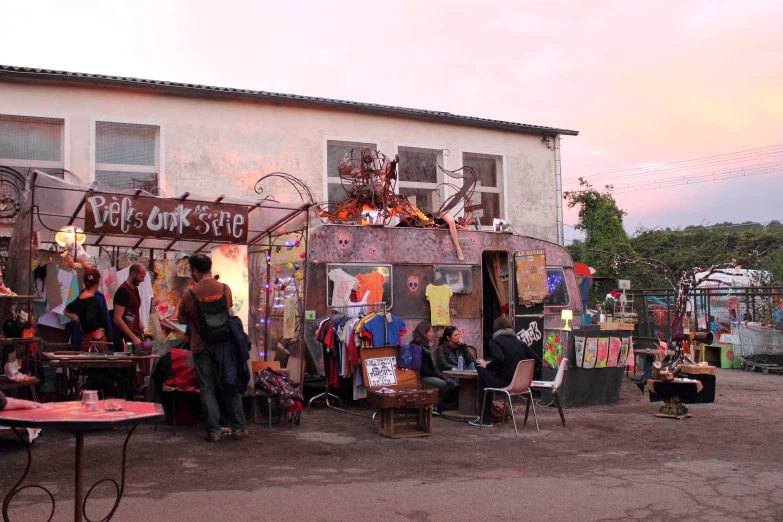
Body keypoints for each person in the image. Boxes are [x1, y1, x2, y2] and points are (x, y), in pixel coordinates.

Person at [177, 254, 248, 443]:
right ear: (210, 267)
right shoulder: (225, 289)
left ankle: (214, 432)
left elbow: (182, 319)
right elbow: (229, 310)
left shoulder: (189, 294)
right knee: (230, 385)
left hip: (201, 345)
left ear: (193, 271)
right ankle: (239, 429)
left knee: (207, 388)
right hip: (225, 344)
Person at [469, 317, 542, 428]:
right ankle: (485, 417)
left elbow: (499, 358)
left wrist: (487, 365)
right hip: (522, 385)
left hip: (503, 382)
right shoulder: (520, 343)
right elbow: (536, 360)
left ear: (496, 329)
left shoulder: (495, 341)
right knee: (483, 379)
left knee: (477, 363)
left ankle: (486, 418)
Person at [64, 268, 113, 352]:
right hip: (95, 342)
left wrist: (79, 320)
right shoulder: (92, 300)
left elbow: (66, 311)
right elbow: (90, 318)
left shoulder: (80, 297)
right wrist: (95, 334)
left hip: (86, 339)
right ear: (97, 283)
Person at [412, 321, 456, 411]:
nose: (432, 334)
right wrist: (439, 376)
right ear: (424, 333)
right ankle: (431, 406)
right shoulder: (415, 346)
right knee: (442, 384)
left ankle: (434, 404)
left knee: (452, 383)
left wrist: (439, 374)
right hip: (420, 376)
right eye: (430, 332)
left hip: (429, 374)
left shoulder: (426, 346)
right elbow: (422, 369)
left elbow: (430, 365)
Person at [113, 263, 147, 352]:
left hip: (132, 337)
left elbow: (132, 315)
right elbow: (117, 318)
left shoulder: (135, 290)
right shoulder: (123, 292)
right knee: (126, 364)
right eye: (141, 277)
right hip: (124, 339)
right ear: (133, 274)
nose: (143, 280)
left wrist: (145, 330)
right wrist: (133, 337)